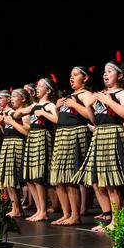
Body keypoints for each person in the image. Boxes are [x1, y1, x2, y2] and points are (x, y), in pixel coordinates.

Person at [73, 57, 124, 231]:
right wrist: (89, 106)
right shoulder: (101, 94)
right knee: (99, 181)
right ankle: (110, 219)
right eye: (104, 71)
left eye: (109, 71)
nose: (105, 74)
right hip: (100, 135)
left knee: (112, 181)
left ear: (120, 75)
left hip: (114, 135)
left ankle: (117, 221)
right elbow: (95, 120)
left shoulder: (122, 94)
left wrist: (108, 101)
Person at [50, 66, 94, 226]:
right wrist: (56, 108)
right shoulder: (68, 96)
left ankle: (75, 215)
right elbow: (60, 119)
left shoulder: (86, 94)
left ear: (85, 78)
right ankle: (66, 213)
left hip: (75, 134)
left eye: (75, 75)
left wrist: (74, 105)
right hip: (62, 135)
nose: (71, 77)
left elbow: (91, 116)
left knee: (70, 178)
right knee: (58, 178)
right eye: (70, 75)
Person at [15, 78, 58, 221]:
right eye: (37, 86)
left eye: (41, 86)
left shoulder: (49, 104)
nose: (37, 88)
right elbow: (16, 114)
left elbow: (57, 120)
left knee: (38, 177)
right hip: (32, 137)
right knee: (29, 177)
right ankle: (39, 209)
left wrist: (44, 113)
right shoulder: (35, 105)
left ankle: (43, 211)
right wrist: (24, 110)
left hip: (42, 136)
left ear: (49, 90)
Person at [0, 89, 30, 217]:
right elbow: (7, 132)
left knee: (13, 179)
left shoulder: (23, 114)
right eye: (11, 96)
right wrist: (2, 125)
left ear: (23, 99)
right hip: (7, 145)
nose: (11, 99)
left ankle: (18, 208)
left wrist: (11, 122)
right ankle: (15, 208)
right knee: (7, 180)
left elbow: (27, 132)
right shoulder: (12, 114)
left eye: (14, 96)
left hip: (17, 145)